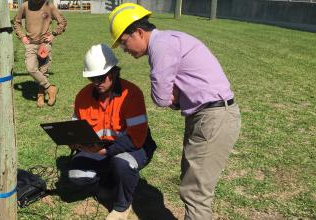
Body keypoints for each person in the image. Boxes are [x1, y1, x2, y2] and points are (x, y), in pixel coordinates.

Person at [109, 3, 242, 220]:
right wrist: (176, 97)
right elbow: (171, 94)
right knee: (192, 184)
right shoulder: (169, 40)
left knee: (195, 193)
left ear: (139, 33)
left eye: (124, 43)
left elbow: (161, 97)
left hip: (212, 118)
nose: (125, 50)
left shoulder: (161, 47)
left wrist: (172, 97)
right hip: (208, 116)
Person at [68, 44, 157, 220]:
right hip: (98, 147)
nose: (96, 83)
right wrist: (74, 140)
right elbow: (75, 125)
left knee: (122, 163)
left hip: (133, 146)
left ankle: (122, 207)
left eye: (101, 78)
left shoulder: (131, 94)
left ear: (114, 72)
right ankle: (110, 181)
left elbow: (137, 138)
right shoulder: (83, 96)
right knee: (76, 175)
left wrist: (105, 151)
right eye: (92, 78)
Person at [13, 0, 67, 107]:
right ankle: (50, 88)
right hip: (31, 44)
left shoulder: (49, 5)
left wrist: (53, 34)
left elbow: (62, 22)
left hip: (44, 44)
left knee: (43, 71)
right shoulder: (24, 6)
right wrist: (22, 36)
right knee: (31, 68)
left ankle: (41, 95)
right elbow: (16, 22)